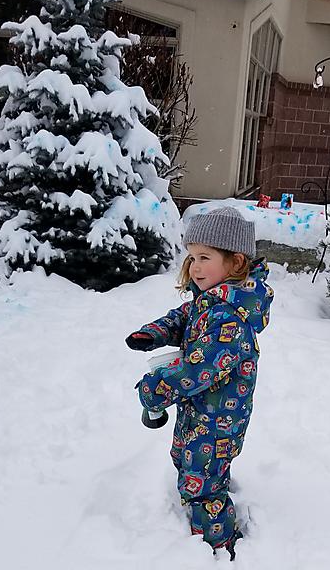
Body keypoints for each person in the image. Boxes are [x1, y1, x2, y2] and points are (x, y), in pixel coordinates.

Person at [125, 207, 274, 560]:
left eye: (204, 257)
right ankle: (201, 507)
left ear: (236, 262)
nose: (195, 267)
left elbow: (197, 370)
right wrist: (156, 332)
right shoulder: (214, 300)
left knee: (203, 484)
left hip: (218, 420)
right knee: (186, 459)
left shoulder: (229, 319)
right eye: (192, 257)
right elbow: (186, 316)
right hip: (202, 412)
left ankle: (218, 546)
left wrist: (156, 388)